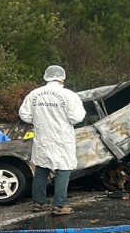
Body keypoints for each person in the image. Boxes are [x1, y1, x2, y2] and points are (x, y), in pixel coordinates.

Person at [19, 65, 86, 216]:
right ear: (62, 77)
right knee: (63, 169)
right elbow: (77, 117)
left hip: (42, 137)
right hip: (62, 138)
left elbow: (24, 114)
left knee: (42, 168)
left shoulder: (34, 94)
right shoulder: (69, 95)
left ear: (46, 76)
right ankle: (60, 205)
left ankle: (39, 202)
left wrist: (37, 119)